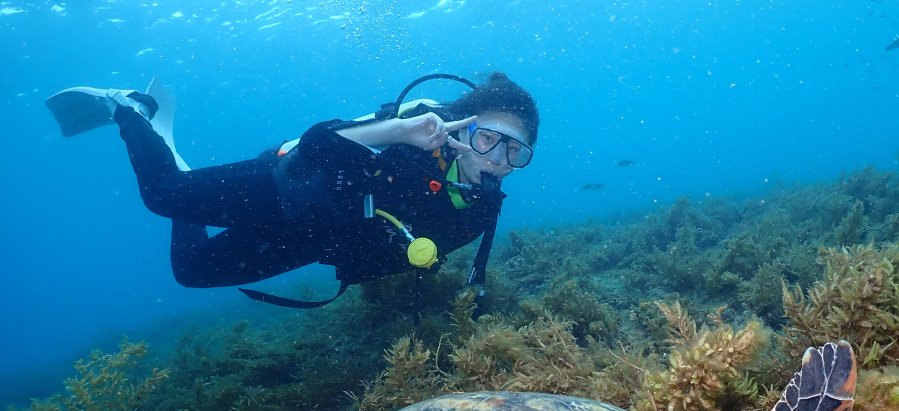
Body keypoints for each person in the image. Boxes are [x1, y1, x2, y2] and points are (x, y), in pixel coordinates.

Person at [46, 73, 540, 307]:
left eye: (515, 151)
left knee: (190, 271)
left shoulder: (481, 210)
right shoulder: (417, 135)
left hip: (312, 238)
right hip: (289, 186)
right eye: (487, 138)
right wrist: (393, 131)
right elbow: (316, 145)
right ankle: (130, 109)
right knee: (162, 194)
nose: (497, 158)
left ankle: (174, 154)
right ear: (462, 129)